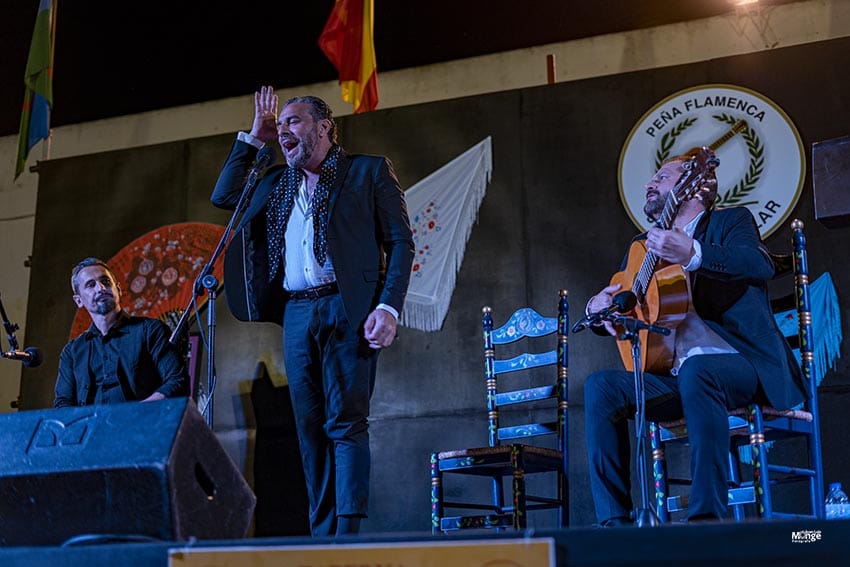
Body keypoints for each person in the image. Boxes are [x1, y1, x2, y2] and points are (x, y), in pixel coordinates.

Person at [211, 86, 414, 536]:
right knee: (309, 427)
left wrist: (388, 306)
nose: (284, 129)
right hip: (297, 313)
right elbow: (225, 196)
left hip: (347, 306)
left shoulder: (366, 171)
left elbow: (401, 242)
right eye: (280, 123)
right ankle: (322, 536)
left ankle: (348, 533)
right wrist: (254, 138)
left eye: (293, 122)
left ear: (324, 128)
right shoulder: (276, 182)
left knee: (345, 422)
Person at [583, 148, 806, 526]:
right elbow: (624, 300)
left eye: (664, 177)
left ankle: (706, 518)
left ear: (694, 187)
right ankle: (614, 524)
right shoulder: (642, 248)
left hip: (740, 366)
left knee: (699, 371)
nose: (651, 182)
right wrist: (596, 309)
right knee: (601, 386)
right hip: (676, 375)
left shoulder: (731, 221)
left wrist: (694, 253)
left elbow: (759, 263)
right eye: (653, 177)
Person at [54, 258, 189, 408]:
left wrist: (135, 413)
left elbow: (177, 381)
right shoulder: (72, 352)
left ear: (117, 289)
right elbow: (63, 403)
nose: (100, 288)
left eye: (105, 281)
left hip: (142, 426)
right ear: (79, 301)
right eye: (91, 285)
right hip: (92, 429)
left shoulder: (150, 330)